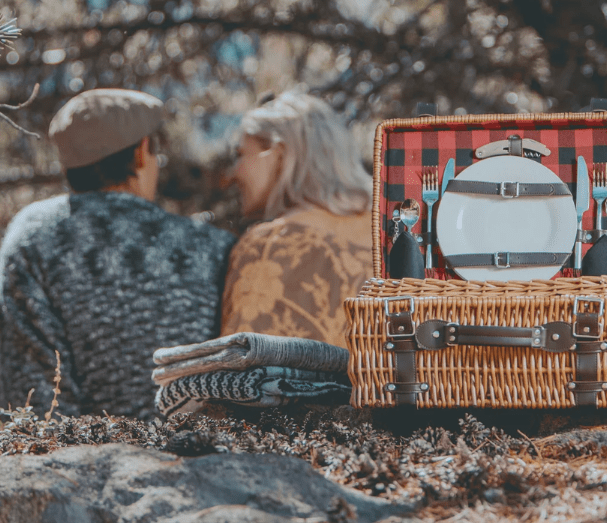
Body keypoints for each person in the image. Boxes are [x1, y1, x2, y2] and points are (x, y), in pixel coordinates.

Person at [0, 88, 235, 419]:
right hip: (203, 458)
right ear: (141, 153)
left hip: (76, 462)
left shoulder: (32, 233)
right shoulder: (213, 245)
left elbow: (31, 383)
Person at [221, 91, 373, 349]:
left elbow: (243, 374)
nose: (233, 174)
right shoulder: (391, 231)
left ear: (279, 154)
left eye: (241, 154)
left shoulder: (271, 245)